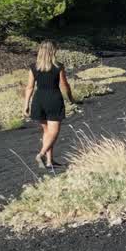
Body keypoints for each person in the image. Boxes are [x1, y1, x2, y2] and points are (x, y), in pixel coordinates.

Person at [22, 40, 77, 169]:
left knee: (47, 131)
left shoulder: (34, 67)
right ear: (53, 51)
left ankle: (49, 161)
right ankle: (41, 155)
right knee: (54, 132)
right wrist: (71, 98)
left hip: (39, 100)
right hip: (53, 99)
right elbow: (64, 85)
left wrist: (26, 104)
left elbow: (29, 87)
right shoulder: (58, 66)